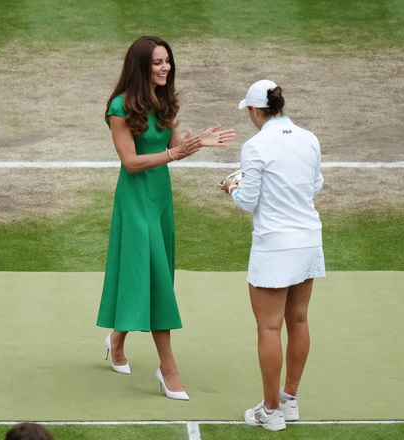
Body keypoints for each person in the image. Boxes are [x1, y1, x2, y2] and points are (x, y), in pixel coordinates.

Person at [96, 36, 236, 401]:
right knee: (155, 275)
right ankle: (168, 370)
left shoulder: (165, 100)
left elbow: (174, 147)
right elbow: (131, 162)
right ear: (141, 65)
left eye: (167, 62)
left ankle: (116, 339)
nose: (165, 68)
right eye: (158, 63)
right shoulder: (119, 107)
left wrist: (196, 143)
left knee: (152, 273)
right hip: (134, 200)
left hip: (160, 199)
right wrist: (176, 153)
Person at [220, 80, 325, 431]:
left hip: (275, 245)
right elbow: (314, 186)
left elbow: (247, 201)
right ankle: (289, 400)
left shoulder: (254, 146)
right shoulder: (309, 138)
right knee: (298, 321)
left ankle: (270, 410)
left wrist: (232, 185)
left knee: (269, 326)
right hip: (308, 239)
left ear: (254, 110)